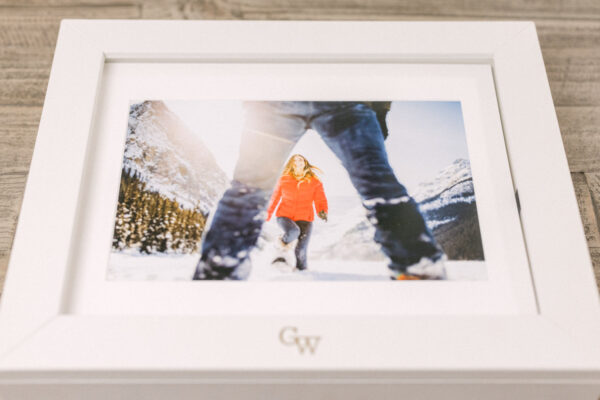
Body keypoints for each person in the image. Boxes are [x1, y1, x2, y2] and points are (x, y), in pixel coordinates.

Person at [192, 101, 446, 281]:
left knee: (248, 190)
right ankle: (417, 265)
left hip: (277, 95)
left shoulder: (312, 181)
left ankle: (220, 270)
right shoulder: (288, 179)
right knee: (378, 184)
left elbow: (318, 196)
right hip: (342, 95)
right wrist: (379, 110)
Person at [266, 154, 328, 271]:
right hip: (284, 216)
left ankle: (302, 271)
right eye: (294, 161)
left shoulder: (314, 182)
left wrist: (322, 211)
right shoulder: (284, 180)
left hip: (305, 218)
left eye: (300, 160)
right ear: (291, 164)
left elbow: (320, 199)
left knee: (301, 249)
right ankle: (279, 248)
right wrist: (267, 214)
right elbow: (274, 198)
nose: (297, 162)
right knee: (293, 231)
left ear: (305, 163)